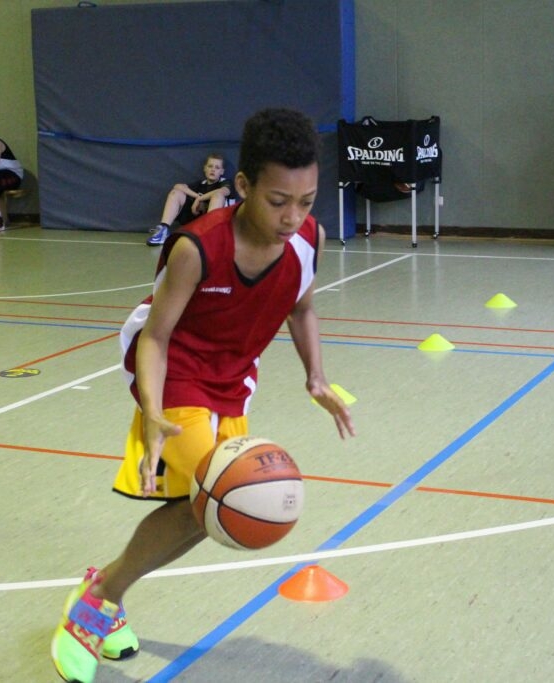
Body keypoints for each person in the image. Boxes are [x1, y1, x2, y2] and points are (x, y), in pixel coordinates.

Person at [50, 108, 356, 683]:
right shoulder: (198, 247)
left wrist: (316, 376)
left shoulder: (307, 240)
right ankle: (94, 605)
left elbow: (302, 308)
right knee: (211, 495)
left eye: (307, 201)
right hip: (175, 363)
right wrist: (153, 411)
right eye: (278, 201)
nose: (293, 217)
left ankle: (103, 590)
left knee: (207, 512)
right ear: (243, 186)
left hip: (234, 376)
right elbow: (156, 337)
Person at [145, 152, 232, 246]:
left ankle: (211, 234)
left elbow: (224, 191)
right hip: (197, 221)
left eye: (217, 167)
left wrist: (200, 199)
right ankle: (164, 230)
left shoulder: (225, 182)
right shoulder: (201, 184)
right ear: (205, 168)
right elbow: (178, 186)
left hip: (220, 226)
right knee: (176, 193)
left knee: (218, 196)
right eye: (210, 166)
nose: (213, 170)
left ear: (222, 171)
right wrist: (197, 197)